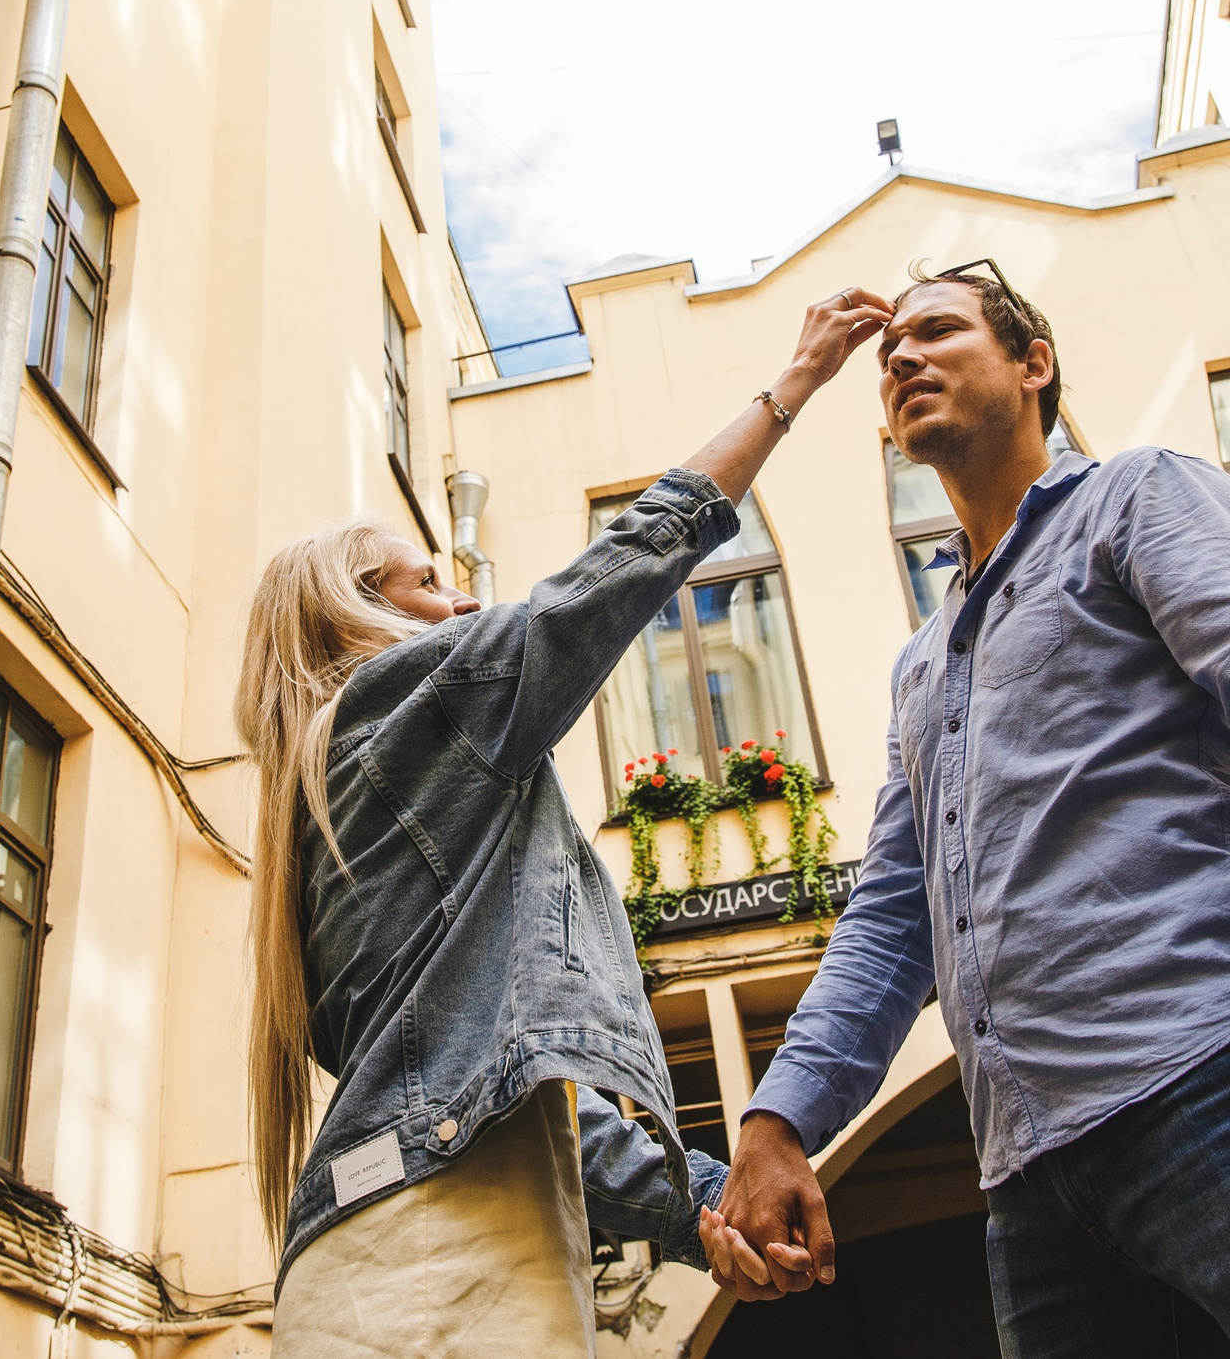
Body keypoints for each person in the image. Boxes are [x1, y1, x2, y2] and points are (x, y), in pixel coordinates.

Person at [698, 269, 1230, 1356]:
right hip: (1033, 1191)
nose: (898, 358)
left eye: (937, 331)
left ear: (1033, 366)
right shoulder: (923, 663)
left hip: (1220, 1087)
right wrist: (777, 1120)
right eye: (889, 350)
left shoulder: (1140, 498)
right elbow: (896, 913)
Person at [237, 289, 894, 1357]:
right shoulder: (403, 702)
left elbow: (526, 1110)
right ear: (359, 611)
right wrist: (793, 387)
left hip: (392, 1264)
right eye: (428, 583)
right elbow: (609, 580)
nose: (460, 603)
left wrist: (707, 1210)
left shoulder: (333, 813)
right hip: (438, 1269)